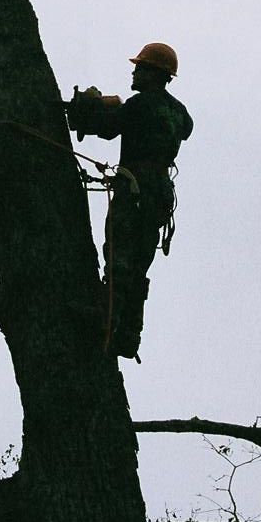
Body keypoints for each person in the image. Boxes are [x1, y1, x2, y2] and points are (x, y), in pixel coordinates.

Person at [65, 43, 193, 360]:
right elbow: (186, 129)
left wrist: (83, 113)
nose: (134, 72)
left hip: (135, 188)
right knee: (139, 265)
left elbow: (109, 129)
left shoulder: (140, 105)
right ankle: (130, 335)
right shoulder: (179, 113)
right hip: (160, 194)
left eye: (139, 68)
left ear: (153, 74)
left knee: (119, 254)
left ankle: (105, 322)